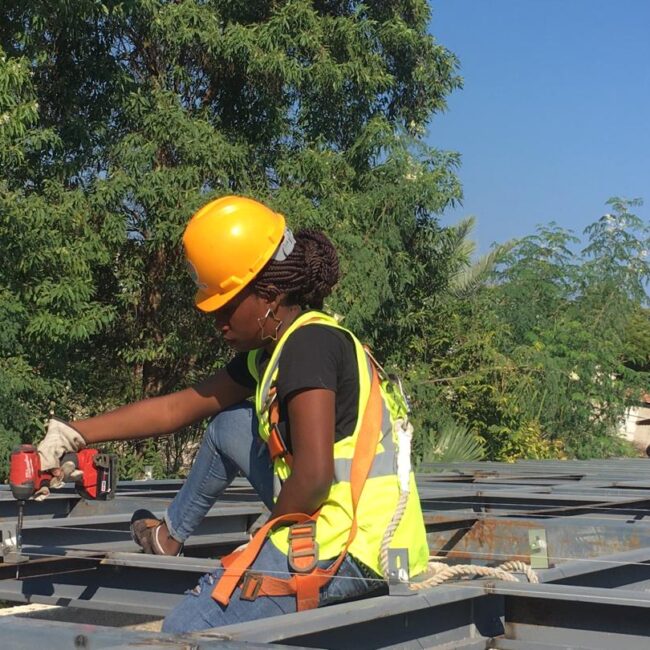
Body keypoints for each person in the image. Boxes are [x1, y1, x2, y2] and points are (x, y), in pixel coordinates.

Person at [37, 195, 430, 633]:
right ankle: (168, 539)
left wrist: (260, 545)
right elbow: (178, 406)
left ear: (270, 295)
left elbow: (315, 477)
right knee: (230, 425)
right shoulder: (274, 351)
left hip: (350, 547)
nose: (218, 323)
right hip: (347, 529)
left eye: (225, 307)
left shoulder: (308, 347)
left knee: (183, 631)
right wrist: (73, 434)